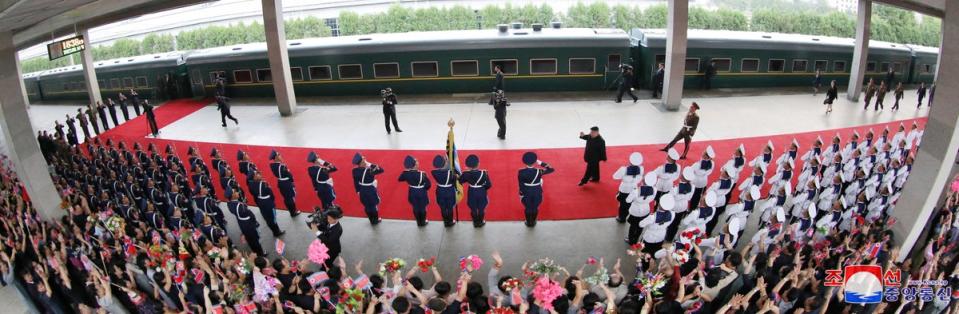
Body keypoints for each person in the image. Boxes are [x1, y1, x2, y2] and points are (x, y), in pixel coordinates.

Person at [517, 152, 554, 227]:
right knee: (535, 207)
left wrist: (521, 193)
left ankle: (528, 222)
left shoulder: (521, 172)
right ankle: (533, 222)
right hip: (537, 191)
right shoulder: (539, 171)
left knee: (528, 207)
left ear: (524, 162)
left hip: (527, 192)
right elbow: (551, 169)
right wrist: (540, 162)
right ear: (534, 162)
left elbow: (521, 184)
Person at [226, 189, 264, 256]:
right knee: (254, 239)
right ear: (232, 195)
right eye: (235, 192)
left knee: (251, 239)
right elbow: (249, 214)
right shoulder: (239, 206)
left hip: (242, 223)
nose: (237, 192)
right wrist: (255, 222)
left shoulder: (230, 204)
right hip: (248, 224)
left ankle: (257, 252)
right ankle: (260, 254)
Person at [399, 155, 432, 226]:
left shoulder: (405, 173)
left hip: (412, 191)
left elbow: (400, 179)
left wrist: (407, 172)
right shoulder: (422, 174)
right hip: (421, 191)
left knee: (415, 207)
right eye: (417, 162)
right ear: (415, 165)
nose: (418, 163)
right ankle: (423, 222)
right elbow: (428, 184)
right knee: (422, 207)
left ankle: (418, 222)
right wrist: (424, 188)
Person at [352, 152, 384, 225]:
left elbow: (355, 181)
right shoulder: (369, 170)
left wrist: (358, 190)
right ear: (362, 162)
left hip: (362, 190)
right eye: (364, 160)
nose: (365, 160)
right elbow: (381, 170)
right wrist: (369, 164)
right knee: (373, 205)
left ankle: (371, 220)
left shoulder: (354, 170)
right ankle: (375, 221)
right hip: (370, 190)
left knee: (366, 205)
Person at [249, 171, 284, 236]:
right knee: (273, 218)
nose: (259, 174)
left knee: (267, 218)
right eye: (257, 174)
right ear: (254, 177)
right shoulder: (264, 184)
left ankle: (274, 231)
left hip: (260, 202)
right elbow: (271, 195)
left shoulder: (251, 185)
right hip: (268, 203)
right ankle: (277, 231)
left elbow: (253, 194)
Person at [460, 154, 491, 227]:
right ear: (478, 164)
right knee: (481, 208)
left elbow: (461, 181)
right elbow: (489, 185)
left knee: (473, 208)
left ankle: (475, 222)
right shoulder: (484, 173)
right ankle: (480, 222)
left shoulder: (466, 174)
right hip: (481, 191)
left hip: (472, 191)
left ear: (467, 165)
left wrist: (460, 175)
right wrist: (483, 188)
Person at [613, 152, 643, 223]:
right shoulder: (641, 169)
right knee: (629, 203)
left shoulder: (624, 169)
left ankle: (621, 217)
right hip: (634, 188)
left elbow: (615, 176)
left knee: (622, 204)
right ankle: (625, 215)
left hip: (624, 188)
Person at [269, 150, 300, 217]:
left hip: (280, 183)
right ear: (276, 157)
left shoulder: (273, 165)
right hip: (286, 183)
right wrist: (292, 182)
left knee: (286, 198)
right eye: (279, 155)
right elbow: (289, 176)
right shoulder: (282, 166)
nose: (281, 156)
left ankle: (291, 210)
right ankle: (293, 212)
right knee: (290, 198)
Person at [430, 155, 459, 227]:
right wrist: (449, 162)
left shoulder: (433, 172)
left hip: (440, 191)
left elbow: (443, 170)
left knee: (442, 207)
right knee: (450, 207)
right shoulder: (451, 173)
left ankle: (445, 222)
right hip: (449, 191)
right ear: (445, 163)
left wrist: (446, 162)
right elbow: (455, 180)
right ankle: (450, 221)